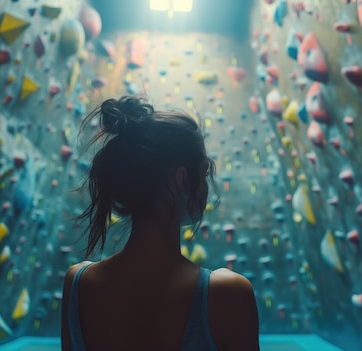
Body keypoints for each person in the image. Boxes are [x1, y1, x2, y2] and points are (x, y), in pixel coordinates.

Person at [61, 96, 260, 351]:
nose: (208, 185)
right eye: (205, 172)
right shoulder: (228, 295)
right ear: (183, 179)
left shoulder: (78, 283)